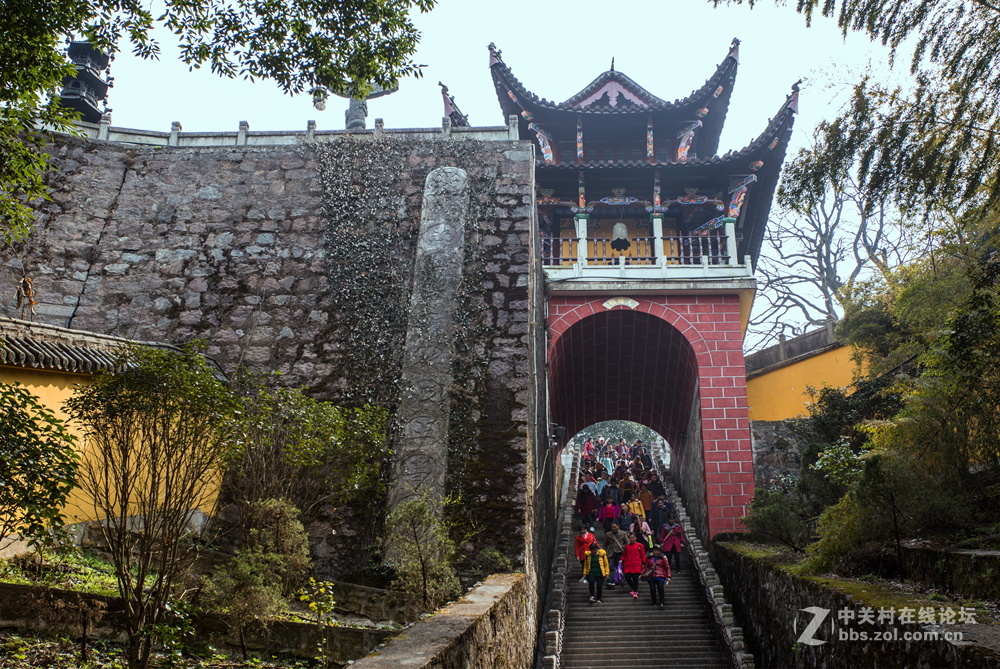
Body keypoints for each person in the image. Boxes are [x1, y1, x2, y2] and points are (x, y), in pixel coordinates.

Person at [621, 532, 647, 598]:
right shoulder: (626, 546)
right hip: (628, 564)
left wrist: (644, 563)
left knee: (635, 578)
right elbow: (624, 555)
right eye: (630, 538)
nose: (632, 539)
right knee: (627, 577)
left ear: (636, 538)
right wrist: (622, 560)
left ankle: (635, 591)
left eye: (633, 538)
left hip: (636, 564)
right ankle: (633, 587)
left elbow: (643, 555)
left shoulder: (640, 545)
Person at [603, 522, 628, 587]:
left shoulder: (623, 533)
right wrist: (604, 552)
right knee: (611, 566)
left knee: (619, 567)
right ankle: (611, 580)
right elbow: (605, 544)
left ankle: (620, 579)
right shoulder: (608, 534)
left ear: (618, 526)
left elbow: (627, 543)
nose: (613, 528)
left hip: (620, 552)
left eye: (614, 527)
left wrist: (624, 548)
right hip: (611, 552)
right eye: (612, 527)